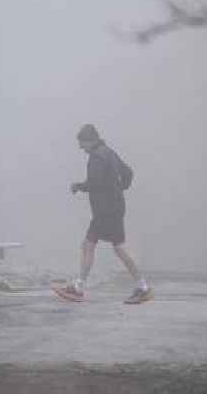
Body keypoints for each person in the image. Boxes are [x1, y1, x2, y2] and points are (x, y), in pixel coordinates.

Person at [54, 124, 152, 304]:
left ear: (90, 140)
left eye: (82, 143)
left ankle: (79, 288)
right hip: (114, 208)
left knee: (89, 245)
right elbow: (128, 173)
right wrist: (120, 189)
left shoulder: (97, 157)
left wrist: (78, 187)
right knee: (116, 247)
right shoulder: (110, 152)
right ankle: (142, 286)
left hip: (105, 211)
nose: (80, 147)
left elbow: (95, 183)